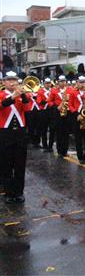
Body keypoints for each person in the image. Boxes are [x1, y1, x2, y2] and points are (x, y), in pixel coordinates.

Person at [0, 70, 31, 203]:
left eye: (14, 80)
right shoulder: (1, 94)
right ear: (3, 82)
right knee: (6, 163)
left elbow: (28, 109)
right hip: (5, 132)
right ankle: (8, 192)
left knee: (19, 163)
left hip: (20, 132)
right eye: (9, 80)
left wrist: (23, 96)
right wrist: (13, 96)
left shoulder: (23, 94)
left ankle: (18, 192)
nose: (12, 82)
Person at [69, 75, 85, 164]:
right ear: (77, 83)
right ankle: (80, 157)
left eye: (83, 82)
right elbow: (70, 105)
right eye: (80, 82)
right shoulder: (73, 93)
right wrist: (76, 114)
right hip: (77, 117)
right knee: (78, 138)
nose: (82, 84)